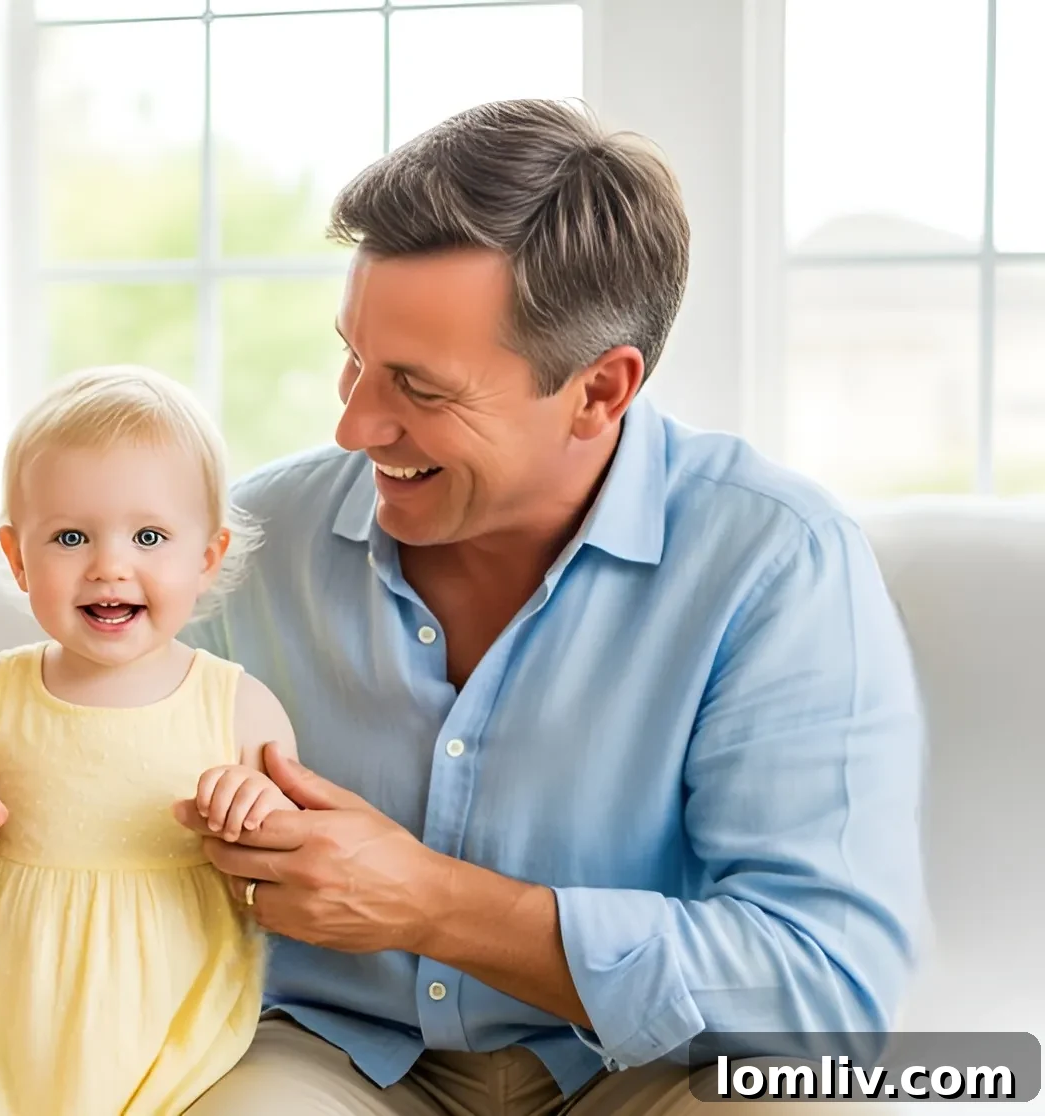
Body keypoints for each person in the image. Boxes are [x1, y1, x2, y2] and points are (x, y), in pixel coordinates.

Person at [177, 99, 927, 1115]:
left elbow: (815, 991)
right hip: (328, 1052)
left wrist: (429, 904)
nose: (353, 422)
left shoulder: (775, 562)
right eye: (350, 355)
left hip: (647, 1071)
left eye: (418, 387)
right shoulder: (252, 541)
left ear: (597, 390)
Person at [0, 366, 303, 1114]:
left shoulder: (238, 707)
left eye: (149, 536)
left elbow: (283, 874)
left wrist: (255, 805)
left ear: (206, 557)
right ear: (19, 558)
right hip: (9, 1013)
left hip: (175, 1019)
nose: (110, 564)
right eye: (71, 536)